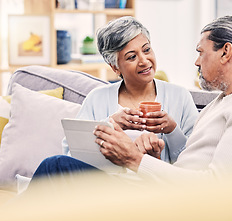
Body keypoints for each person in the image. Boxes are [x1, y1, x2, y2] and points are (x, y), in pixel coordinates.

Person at [31, 15, 232, 184]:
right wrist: (151, 157)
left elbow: (220, 191)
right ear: (116, 67)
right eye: (131, 56)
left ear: (226, 52)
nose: (195, 61)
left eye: (200, 52)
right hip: (153, 189)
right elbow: (192, 163)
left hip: (167, 203)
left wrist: (135, 159)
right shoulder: (227, 99)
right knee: (56, 166)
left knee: (53, 167)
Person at [62, 16, 199, 164]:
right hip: (107, 184)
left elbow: (195, 161)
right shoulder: (97, 98)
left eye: (146, 50)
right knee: (55, 163)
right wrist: (110, 124)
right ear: (115, 67)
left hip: (155, 184)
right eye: (132, 57)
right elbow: (71, 154)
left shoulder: (179, 96)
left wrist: (172, 131)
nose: (144, 61)